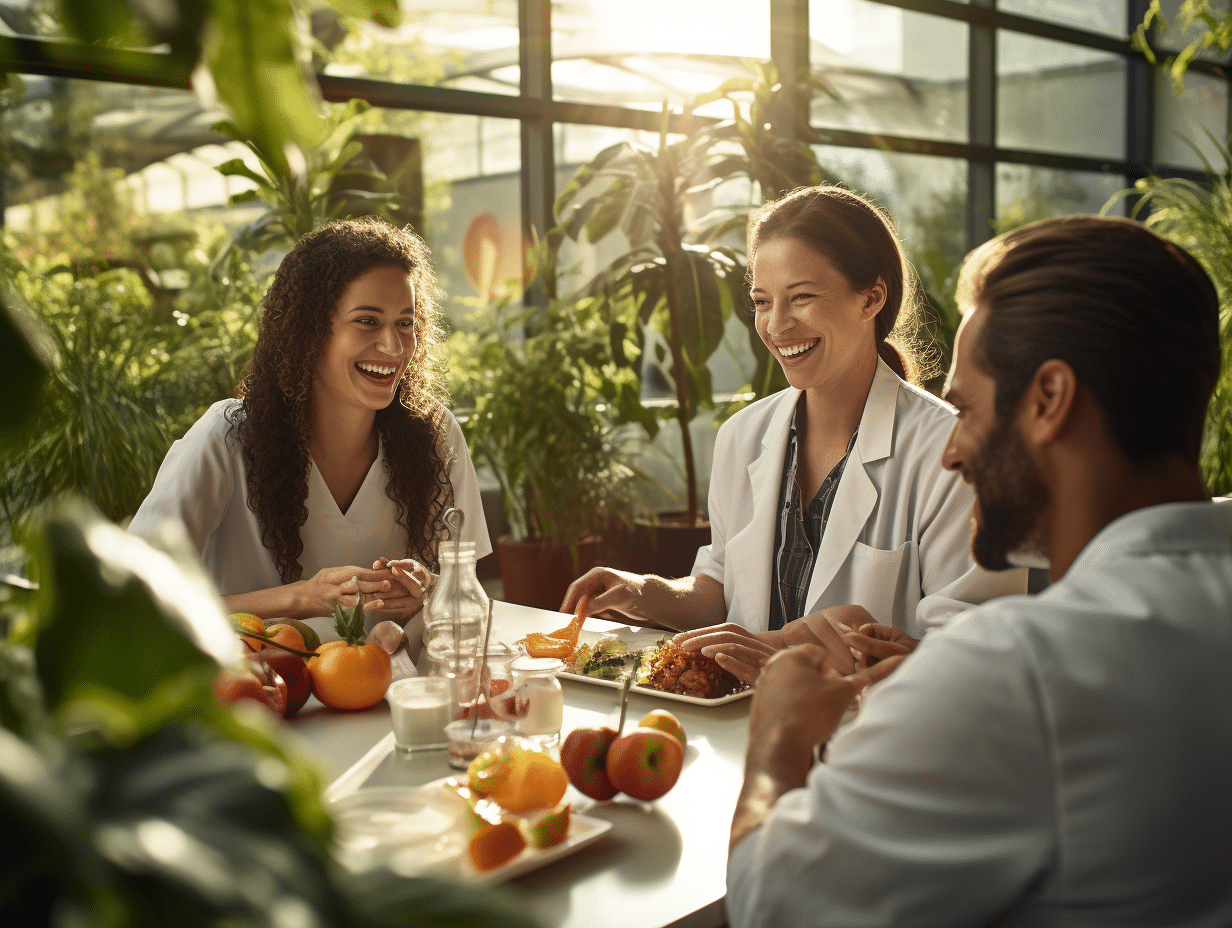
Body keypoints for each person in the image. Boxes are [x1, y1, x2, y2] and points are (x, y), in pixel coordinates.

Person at [727, 215, 1232, 926]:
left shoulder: (1017, 670)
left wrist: (777, 742)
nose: (952, 451)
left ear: (1050, 400)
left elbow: (773, 906)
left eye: (965, 408)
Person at [563, 185, 1024, 665]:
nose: (777, 325)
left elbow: (973, 651)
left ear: (871, 299)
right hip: (737, 728)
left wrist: (792, 648)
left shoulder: (951, 452)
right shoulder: (741, 437)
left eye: (801, 297)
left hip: (872, 729)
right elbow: (721, 591)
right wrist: (640, 592)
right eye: (762, 302)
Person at [130, 217, 490, 632]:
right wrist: (300, 597)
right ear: (308, 331)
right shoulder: (225, 439)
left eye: (404, 324)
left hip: (392, 693)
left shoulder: (435, 434)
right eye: (367, 321)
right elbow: (135, 595)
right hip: (259, 691)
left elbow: (466, 600)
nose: (393, 347)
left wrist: (427, 591)